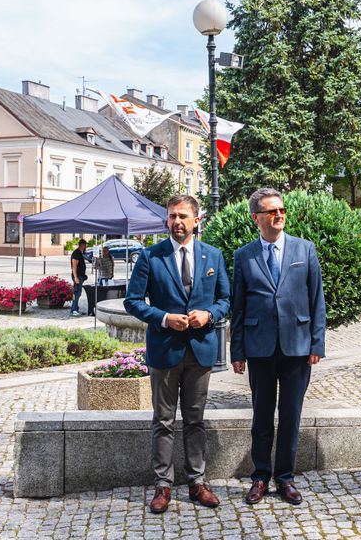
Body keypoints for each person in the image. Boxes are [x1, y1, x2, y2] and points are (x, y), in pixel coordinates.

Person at [124, 194, 230, 514]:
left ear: (197, 221)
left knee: (195, 420)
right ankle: (163, 485)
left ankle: (197, 482)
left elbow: (226, 299)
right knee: (163, 420)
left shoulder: (213, 255)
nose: (176, 222)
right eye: (172, 217)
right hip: (164, 349)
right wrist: (163, 318)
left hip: (200, 350)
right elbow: (133, 301)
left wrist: (209, 316)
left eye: (183, 216)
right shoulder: (150, 256)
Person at [230, 188, 325, 506]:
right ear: (257, 217)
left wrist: (317, 342)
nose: (279, 215)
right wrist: (237, 351)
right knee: (261, 417)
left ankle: (285, 478)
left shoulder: (305, 249)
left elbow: (317, 301)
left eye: (282, 209)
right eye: (271, 211)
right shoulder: (244, 256)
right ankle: (260, 477)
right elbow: (238, 307)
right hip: (260, 348)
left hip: (298, 347)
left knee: (290, 416)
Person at [70, 239, 89, 316]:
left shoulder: (80, 253)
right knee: (76, 293)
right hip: (77, 276)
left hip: (80, 276)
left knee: (78, 293)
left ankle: (76, 309)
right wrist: (76, 277)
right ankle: (73, 310)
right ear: (82, 245)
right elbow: (74, 266)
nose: (85, 246)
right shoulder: (76, 253)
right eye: (85, 245)